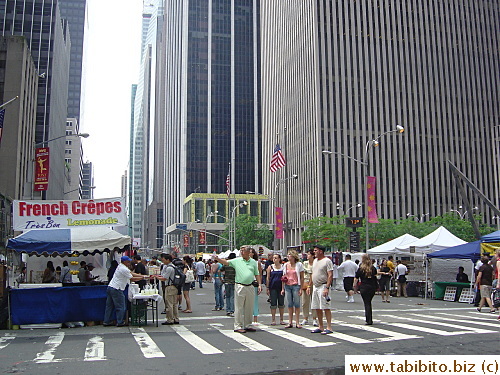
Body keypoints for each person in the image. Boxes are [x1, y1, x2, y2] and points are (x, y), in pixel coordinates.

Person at [216, 246, 262, 333]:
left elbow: (257, 274)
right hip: (240, 285)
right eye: (241, 250)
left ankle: (248, 324)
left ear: (249, 252)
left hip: (250, 285)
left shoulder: (253, 262)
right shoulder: (237, 260)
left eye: (243, 251)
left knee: (249, 307)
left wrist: (259, 284)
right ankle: (238, 325)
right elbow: (226, 262)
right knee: (239, 307)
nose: (242, 252)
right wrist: (217, 259)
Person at [103, 256, 145, 327]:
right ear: (124, 262)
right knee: (120, 306)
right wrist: (142, 277)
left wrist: (142, 276)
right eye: (128, 262)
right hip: (117, 288)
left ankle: (106, 321)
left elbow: (131, 273)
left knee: (109, 306)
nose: (129, 263)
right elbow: (132, 278)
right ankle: (120, 322)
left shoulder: (121, 266)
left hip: (111, 287)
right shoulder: (123, 269)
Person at [307, 245, 334, 335]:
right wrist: (309, 286)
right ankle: (320, 326)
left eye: (315, 250)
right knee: (317, 307)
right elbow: (312, 274)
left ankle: (329, 327)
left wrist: (327, 287)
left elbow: (330, 275)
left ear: (320, 251)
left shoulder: (327, 261)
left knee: (325, 307)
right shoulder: (315, 261)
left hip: (323, 286)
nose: (314, 252)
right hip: (315, 286)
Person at [354, 254, 379, 325]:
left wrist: (354, 286)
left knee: (366, 302)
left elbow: (356, 278)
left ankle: (368, 319)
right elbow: (375, 276)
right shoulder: (373, 268)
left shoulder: (361, 268)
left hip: (364, 286)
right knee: (369, 302)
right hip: (372, 286)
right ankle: (369, 319)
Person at [282, 250, 304, 328]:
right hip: (287, 285)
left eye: (289, 255)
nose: (288, 256)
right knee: (289, 304)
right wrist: (283, 288)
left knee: (297, 304)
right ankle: (290, 321)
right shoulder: (285, 265)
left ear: (294, 256)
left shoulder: (299, 265)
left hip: (296, 285)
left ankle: (297, 322)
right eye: (288, 255)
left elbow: (301, 277)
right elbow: (283, 277)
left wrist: (301, 288)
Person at [156, 253, 180, 325]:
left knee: (169, 304)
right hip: (174, 287)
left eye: (163, 260)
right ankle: (176, 318)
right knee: (174, 304)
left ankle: (170, 319)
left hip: (169, 287)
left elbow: (164, 278)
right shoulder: (173, 266)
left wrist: (157, 277)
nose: (162, 261)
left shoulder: (169, 268)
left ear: (168, 260)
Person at [266, 253, 285, 325]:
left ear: (279, 259)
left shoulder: (283, 267)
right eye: (273, 258)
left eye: (276, 258)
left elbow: (284, 277)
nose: (274, 259)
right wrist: (267, 287)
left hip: (281, 287)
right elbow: (268, 277)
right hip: (273, 287)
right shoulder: (270, 267)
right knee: (273, 304)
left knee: (281, 304)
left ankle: (281, 319)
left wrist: (283, 288)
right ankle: (273, 319)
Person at [301, 249, 318, 326]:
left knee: (314, 301)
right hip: (306, 282)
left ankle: (314, 318)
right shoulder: (305, 263)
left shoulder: (316, 263)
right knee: (305, 302)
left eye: (309, 254)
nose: (307, 256)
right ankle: (305, 317)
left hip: (314, 283)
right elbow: (304, 272)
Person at [250, 248, 263, 324]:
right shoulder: (244, 262)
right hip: (246, 283)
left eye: (251, 252)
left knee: (254, 301)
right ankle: (247, 318)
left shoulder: (256, 263)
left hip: (254, 283)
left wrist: (259, 284)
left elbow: (259, 274)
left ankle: (255, 318)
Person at [222, 253, 237, 317]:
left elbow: (220, 270)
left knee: (227, 296)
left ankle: (228, 310)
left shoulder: (226, 263)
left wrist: (222, 278)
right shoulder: (235, 264)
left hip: (226, 281)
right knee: (232, 296)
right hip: (233, 282)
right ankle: (232, 310)